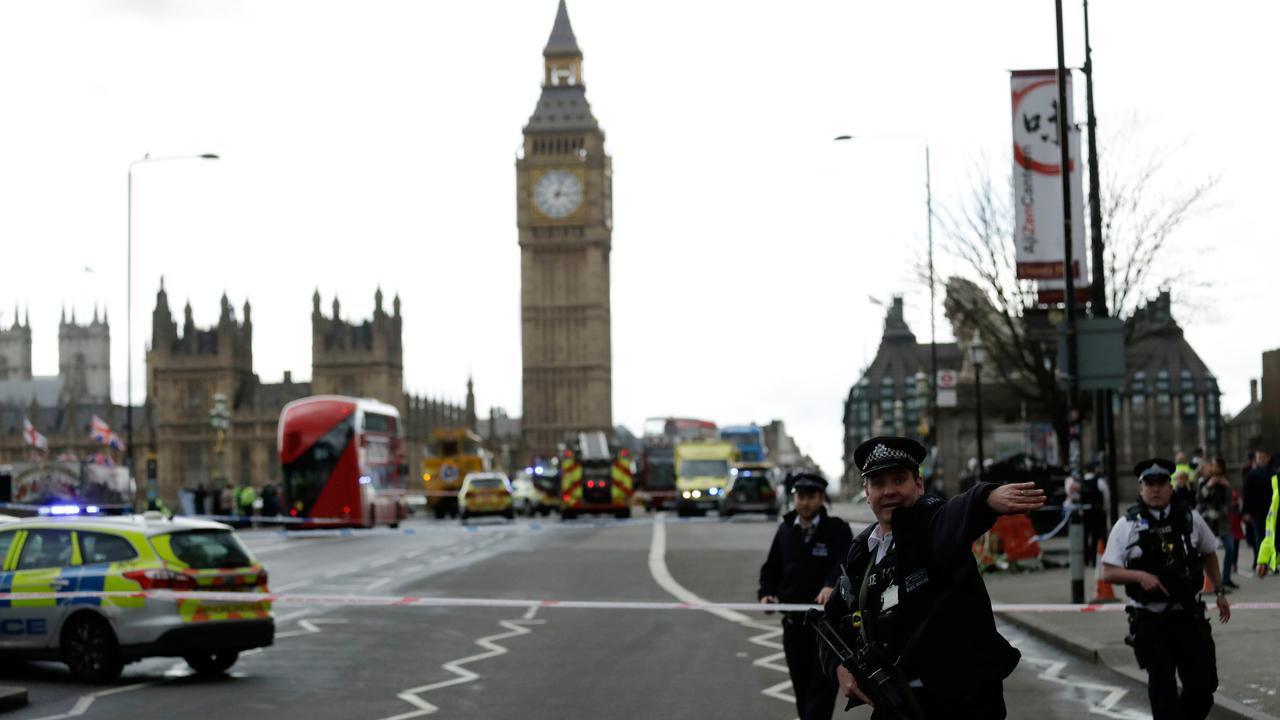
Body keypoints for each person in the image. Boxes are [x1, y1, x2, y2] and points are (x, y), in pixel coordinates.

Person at [818, 436, 1045, 718]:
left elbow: (955, 512)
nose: (889, 491)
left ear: (919, 484)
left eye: (899, 480)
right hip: (896, 703)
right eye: (878, 483)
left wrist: (986, 497)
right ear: (867, 492)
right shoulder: (862, 552)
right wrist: (838, 668)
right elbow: (829, 622)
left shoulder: (933, 523)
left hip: (963, 704)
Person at [1100, 458, 1231, 720]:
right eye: (1149, 483)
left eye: (1161, 482)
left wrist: (1219, 590)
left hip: (1188, 616)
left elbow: (1209, 552)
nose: (1156, 488)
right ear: (1141, 488)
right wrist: (1140, 576)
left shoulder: (1190, 518)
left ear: (1171, 487)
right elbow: (1109, 571)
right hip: (1151, 620)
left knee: (1202, 689)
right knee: (1163, 694)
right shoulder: (1127, 525)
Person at [758, 473, 853, 720]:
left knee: (821, 693)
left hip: (827, 628)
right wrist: (766, 594)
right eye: (800, 496)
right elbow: (771, 568)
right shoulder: (786, 529)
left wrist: (831, 585)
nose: (805, 502)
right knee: (801, 690)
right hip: (794, 625)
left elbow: (845, 562)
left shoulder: (837, 529)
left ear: (821, 498)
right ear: (794, 498)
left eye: (811, 496)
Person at [1196, 457, 1237, 589]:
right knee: (1206, 551)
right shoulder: (1203, 481)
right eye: (1213, 466)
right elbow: (1200, 498)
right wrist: (1209, 485)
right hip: (1208, 521)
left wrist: (1228, 487)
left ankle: (1226, 578)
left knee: (1230, 548)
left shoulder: (1225, 481)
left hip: (1222, 522)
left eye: (1218, 467)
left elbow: (1231, 503)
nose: (1215, 469)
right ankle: (1208, 581)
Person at [1242, 449, 1273, 569]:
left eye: (1263, 457)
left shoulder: (1273, 473)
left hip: (1271, 511)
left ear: (1268, 458)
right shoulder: (1251, 475)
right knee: (1259, 537)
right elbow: (1247, 494)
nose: (1262, 460)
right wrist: (1245, 511)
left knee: (1270, 538)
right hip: (1257, 512)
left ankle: (1270, 562)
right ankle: (1260, 562)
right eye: (1259, 457)